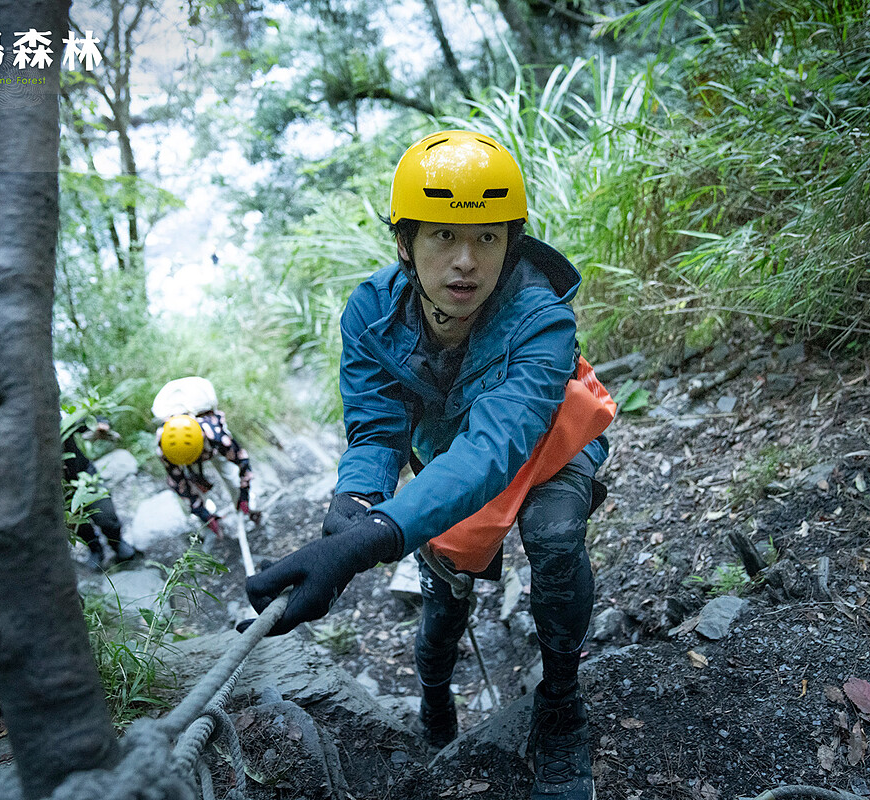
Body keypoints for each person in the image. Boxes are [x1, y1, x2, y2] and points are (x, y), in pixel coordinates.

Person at [244, 130, 613, 800]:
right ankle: (436, 698)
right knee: (444, 593)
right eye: (443, 236)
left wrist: (378, 536)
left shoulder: (541, 319)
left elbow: (498, 443)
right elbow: (378, 428)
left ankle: (562, 705)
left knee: (555, 534)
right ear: (405, 243)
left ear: (512, 243)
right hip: (452, 462)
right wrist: (357, 502)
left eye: (487, 238)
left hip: (551, 441)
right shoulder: (372, 314)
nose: (466, 262)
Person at [153, 377, 262, 538]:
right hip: (189, 447)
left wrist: (244, 496)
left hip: (209, 442)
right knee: (193, 485)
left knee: (230, 474)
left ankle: (249, 508)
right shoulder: (166, 448)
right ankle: (206, 521)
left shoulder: (216, 435)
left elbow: (242, 463)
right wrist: (204, 515)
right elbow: (180, 484)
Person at [62, 418, 140, 571]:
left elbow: (81, 420)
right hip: (58, 487)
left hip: (84, 474)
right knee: (77, 522)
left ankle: (116, 542)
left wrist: (99, 423)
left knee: (106, 513)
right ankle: (94, 548)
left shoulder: (50, 415)